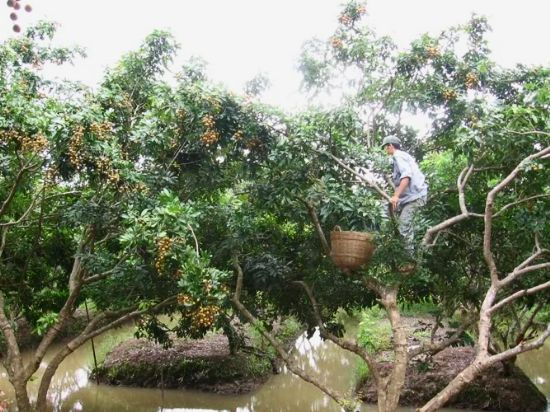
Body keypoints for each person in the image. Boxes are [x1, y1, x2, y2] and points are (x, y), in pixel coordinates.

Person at [381, 135, 428, 251]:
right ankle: (384, 240)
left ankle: (409, 261)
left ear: (390, 146)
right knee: (383, 209)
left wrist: (396, 196)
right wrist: (395, 197)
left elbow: (406, 176)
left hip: (415, 198)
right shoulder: (402, 157)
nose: (385, 150)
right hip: (408, 198)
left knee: (404, 227)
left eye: (386, 147)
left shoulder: (398, 156)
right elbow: (400, 182)